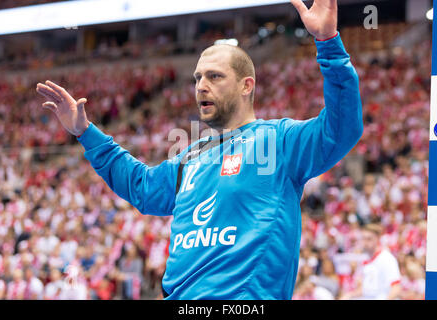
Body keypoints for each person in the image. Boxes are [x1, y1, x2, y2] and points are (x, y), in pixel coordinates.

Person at [35, 0, 363, 299]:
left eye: (214, 76)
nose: (201, 85)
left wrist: (328, 45)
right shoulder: (191, 156)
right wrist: (85, 132)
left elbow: (341, 129)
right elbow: (142, 188)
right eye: (197, 77)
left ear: (247, 85)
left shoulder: (278, 141)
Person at [339, 224, 401, 300]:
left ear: (377, 239)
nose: (365, 242)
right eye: (364, 239)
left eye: (369, 239)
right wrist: (349, 295)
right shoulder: (366, 259)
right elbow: (366, 290)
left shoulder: (386, 259)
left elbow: (396, 288)